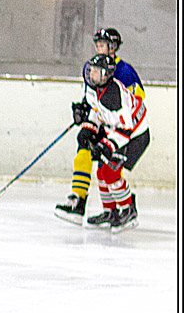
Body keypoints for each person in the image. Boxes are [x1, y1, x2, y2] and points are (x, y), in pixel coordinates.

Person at [55, 28, 145, 225]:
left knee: (109, 168)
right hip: (104, 122)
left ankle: (124, 207)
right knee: (84, 148)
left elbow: (134, 103)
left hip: (119, 125)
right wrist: (83, 112)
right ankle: (79, 201)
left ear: (113, 47)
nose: (98, 48)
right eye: (97, 45)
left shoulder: (125, 72)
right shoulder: (94, 66)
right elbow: (93, 97)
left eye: (102, 45)